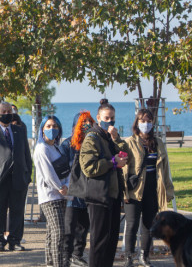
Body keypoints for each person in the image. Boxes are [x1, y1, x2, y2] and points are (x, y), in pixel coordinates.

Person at [122, 108, 175, 267]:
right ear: (137, 123)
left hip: (153, 188)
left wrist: (167, 189)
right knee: (131, 224)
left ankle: (144, 256)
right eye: (143, 121)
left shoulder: (158, 142)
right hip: (134, 190)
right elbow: (123, 168)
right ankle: (128, 257)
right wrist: (124, 191)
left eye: (149, 121)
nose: (146, 124)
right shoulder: (128, 143)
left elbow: (164, 168)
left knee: (149, 224)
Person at [79, 99, 128, 267]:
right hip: (98, 196)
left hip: (113, 196)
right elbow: (88, 167)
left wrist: (116, 139)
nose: (110, 121)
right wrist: (112, 162)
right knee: (99, 241)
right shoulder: (92, 138)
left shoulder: (109, 137)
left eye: (112, 118)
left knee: (111, 240)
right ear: (98, 118)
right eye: (106, 118)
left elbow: (126, 154)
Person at [0, 102, 32, 251]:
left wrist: (28, 174)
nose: (7, 113)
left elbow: (26, 154)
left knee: (17, 210)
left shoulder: (20, 130)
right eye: (4, 111)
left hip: (18, 177)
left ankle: (15, 240)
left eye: (9, 111)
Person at [59, 111, 94, 267]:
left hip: (88, 191)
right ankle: (66, 256)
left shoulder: (93, 143)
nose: (86, 125)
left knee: (84, 226)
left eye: (88, 122)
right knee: (69, 226)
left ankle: (78, 254)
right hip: (72, 192)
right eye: (82, 122)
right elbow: (61, 168)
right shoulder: (67, 145)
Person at [34, 115, 69, 266]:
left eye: (54, 126)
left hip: (61, 195)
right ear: (42, 129)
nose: (52, 129)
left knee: (51, 232)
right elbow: (48, 173)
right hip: (49, 196)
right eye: (48, 126)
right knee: (59, 232)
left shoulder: (56, 147)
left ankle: (49, 262)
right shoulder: (41, 149)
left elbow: (65, 170)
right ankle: (57, 263)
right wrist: (60, 187)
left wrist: (66, 185)